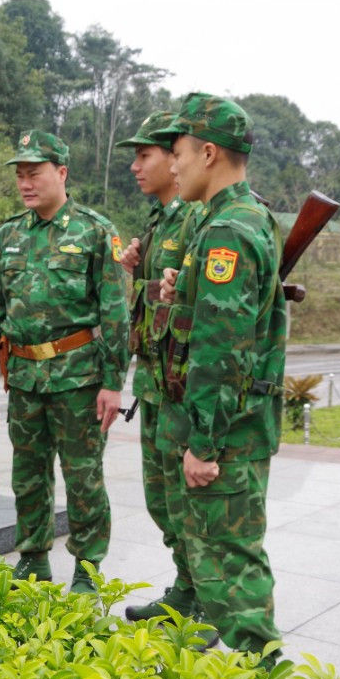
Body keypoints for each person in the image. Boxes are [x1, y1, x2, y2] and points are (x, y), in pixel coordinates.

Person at [152, 93, 288, 657]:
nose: (172, 163)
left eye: (178, 151)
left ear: (209, 152)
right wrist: (175, 294)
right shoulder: (234, 219)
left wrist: (203, 445)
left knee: (232, 569)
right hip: (234, 425)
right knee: (218, 560)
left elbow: (222, 352)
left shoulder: (228, 231)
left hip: (225, 435)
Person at [0, 130, 128, 590]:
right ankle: (34, 556)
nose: (25, 183)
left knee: (82, 476)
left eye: (34, 173)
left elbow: (115, 313)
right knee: (28, 473)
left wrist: (114, 381)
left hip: (78, 375)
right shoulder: (8, 235)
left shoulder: (96, 231)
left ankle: (88, 566)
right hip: (22, 375)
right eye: (20, 175)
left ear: (61, 173)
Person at [115, 111, 202, 624]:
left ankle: (202, 600)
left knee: (188, 504)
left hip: (182, 389)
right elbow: (159, 305)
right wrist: (138, 269)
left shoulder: (196, 218)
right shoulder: (160, 220)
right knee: (163, 501)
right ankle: (185, 588)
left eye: (144, 155)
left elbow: (198, 304)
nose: (134, 166)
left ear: (175, 160)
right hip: (153, 383)